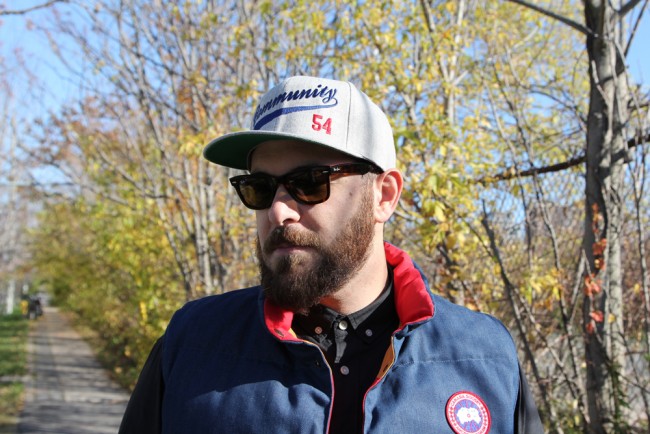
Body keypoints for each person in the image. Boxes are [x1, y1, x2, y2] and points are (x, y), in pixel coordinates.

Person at [119, 75, 544, 434]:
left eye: (309, 182)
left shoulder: (485, 356)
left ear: (384, 196)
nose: (278, 211)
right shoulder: (192, 344)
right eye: (260, 188)